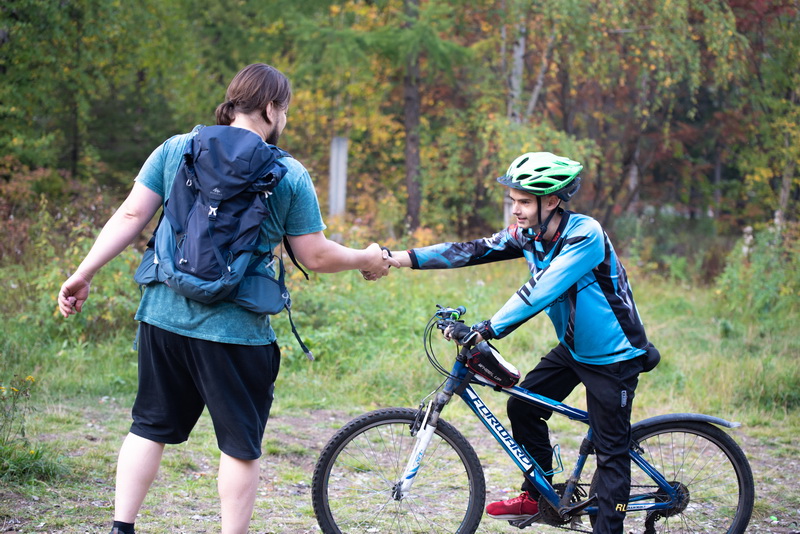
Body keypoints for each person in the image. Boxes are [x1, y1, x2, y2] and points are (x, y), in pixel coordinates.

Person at [57, 63, 399, 534]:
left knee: (148, 426)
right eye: (286, 110)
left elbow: (132, 213)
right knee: (239, 446)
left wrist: (82, 273)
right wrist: (366, 256)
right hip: (236, 333)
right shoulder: (288, 173)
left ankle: (121, 527)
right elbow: (315, 256)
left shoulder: (178, 148)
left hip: (162, 315)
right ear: (270, 108)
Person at [388, 152, 656, 533]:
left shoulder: (585, 234)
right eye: (513, 201)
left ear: (552, 201)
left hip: (615, 356)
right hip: (575, 348)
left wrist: (487, 328)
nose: (516, 209)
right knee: (523, 406)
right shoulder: (528, 236)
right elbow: (470, 250)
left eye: (524, 202)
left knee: (610, 456)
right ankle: (539, 494)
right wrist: (397, 259)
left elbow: (542, 289)